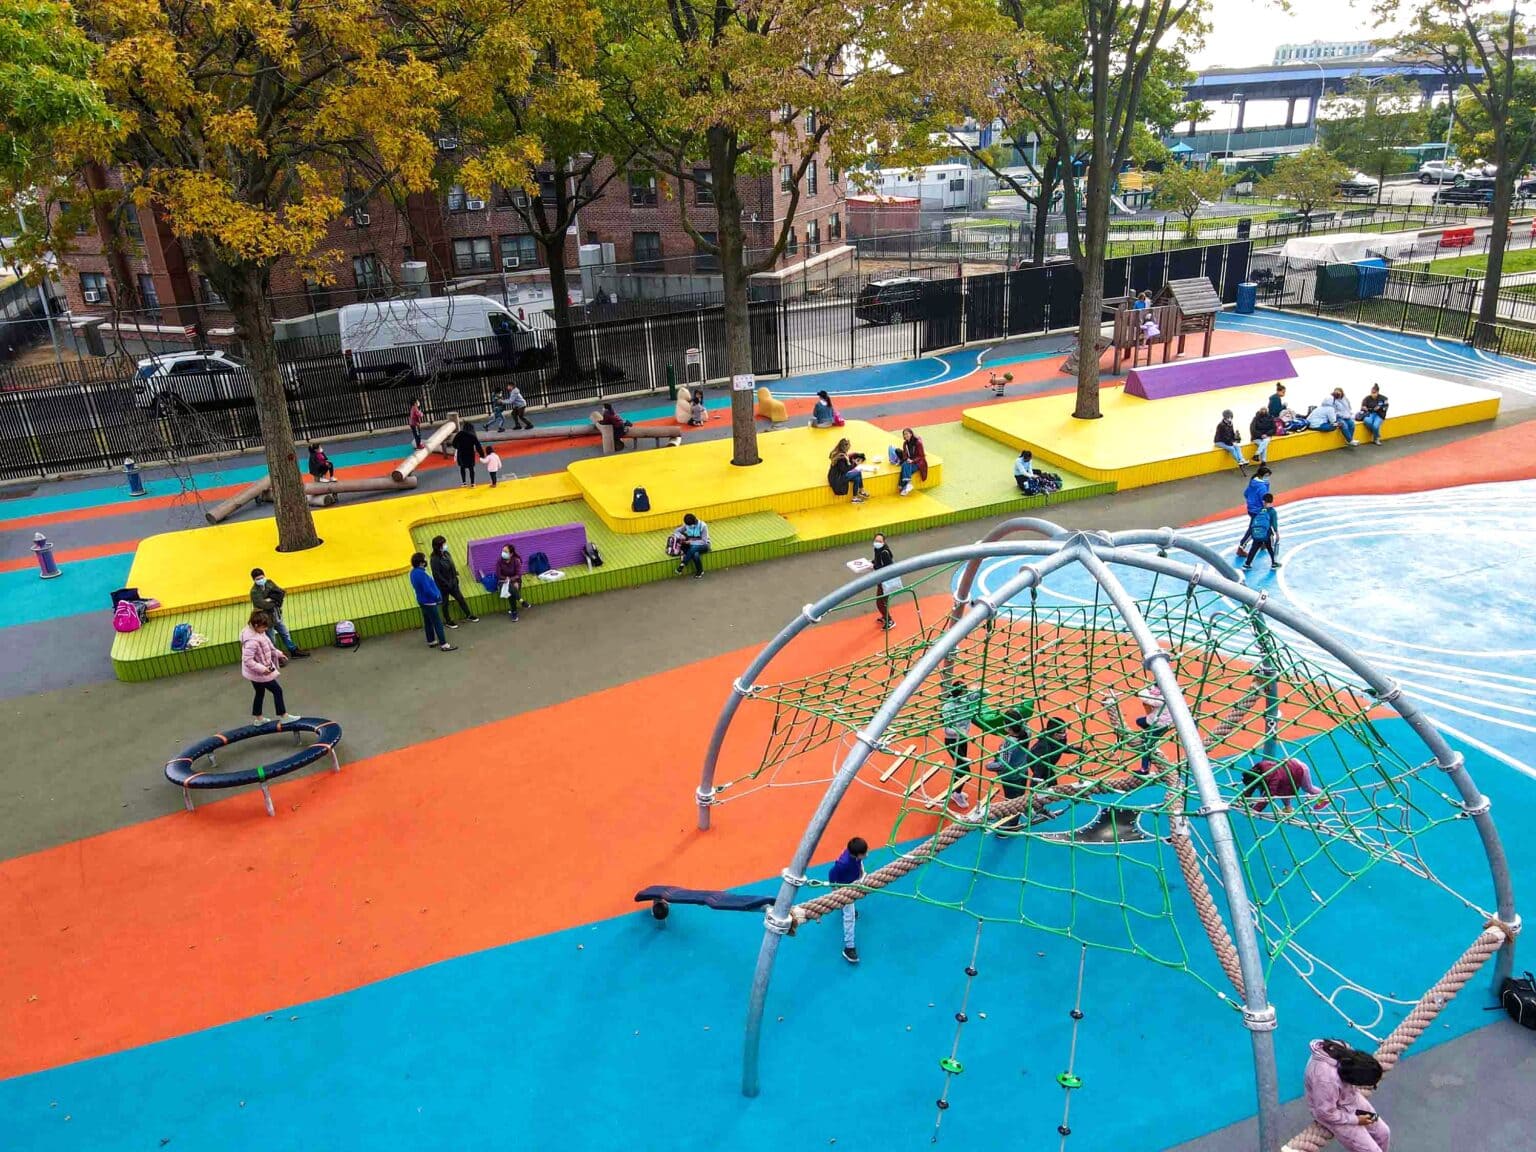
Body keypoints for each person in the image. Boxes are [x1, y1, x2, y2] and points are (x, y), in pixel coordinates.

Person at [1303, 1039, 1389, 1152]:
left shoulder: (1344, 1049)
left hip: (1349, 1097)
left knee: (1384, 1133)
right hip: (1332, 1112)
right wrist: (1356, 1120)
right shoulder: (1326, 1079)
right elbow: (1325, 1113)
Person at [240, 610, 300, 722]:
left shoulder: (259, 632)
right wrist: (263, 669)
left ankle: (259, 719)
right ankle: (283, 716)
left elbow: (268, 646)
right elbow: (247, 660)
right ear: (256, 625)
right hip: (259, 673)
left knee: (259, 692)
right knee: (277, 690)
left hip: (255, 673)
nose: (266, 629)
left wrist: (278, 653)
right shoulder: (252, 641)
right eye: (264, 627)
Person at [248, 568, 309, 658]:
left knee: (285, 633)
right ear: (254, 580)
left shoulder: (269, 583)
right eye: (258, 579)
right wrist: (275, 600)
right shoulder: (254, 592)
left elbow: (281, 593)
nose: (260, 580)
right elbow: (263, 605)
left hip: (276, 615)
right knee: (271, 639)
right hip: (266, 620)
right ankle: (274, 656)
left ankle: (293, 650)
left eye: (261, 577)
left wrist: (270, 599)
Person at [828, 836, 868, 964]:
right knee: (849, 917)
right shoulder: (842, 865)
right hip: (844, 889)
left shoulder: (854, 857)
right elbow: (832, 875)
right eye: (864, 853)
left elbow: (859, 863)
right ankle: (849, 947)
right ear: (856, 854)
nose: (867, 855)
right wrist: (835, 892)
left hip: (853, 882)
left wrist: (862, 875)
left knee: (849, 908)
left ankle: (844, 907)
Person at [1240, 756, 1325, 813]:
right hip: (1288, 768)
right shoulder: (1257, 769)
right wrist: (1244, 798)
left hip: (1299, 768)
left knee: (1308, 788)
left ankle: (1324, 797)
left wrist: (1256, 810)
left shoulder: (1272, 778)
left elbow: (1269, 796)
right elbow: (1252, 785)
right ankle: (1288, 808)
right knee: (1284, 791)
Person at [409, 551, 457, 651]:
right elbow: (427, 589)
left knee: (428, 621)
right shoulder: (422, 574)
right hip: (429, 601)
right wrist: (436, 597)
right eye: (424, 560)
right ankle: (444, 644)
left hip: (421, 600)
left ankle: (431, 640)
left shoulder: (413, 573)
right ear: (421, 563)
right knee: (437, 622)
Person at [429, 535, 477, 627]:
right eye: (444, 544)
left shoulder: (446, 554)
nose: (445, 545)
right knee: (445, 603)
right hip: (443, 585)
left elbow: (452, 566)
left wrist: (455, 577)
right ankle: (448, 620)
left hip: (453, 582)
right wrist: (446, 584)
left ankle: (468, 614)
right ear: (438, 546)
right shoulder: (434, 559)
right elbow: (437, 574)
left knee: (460, 599)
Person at [1236, 465, 1272, 556]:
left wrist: (1251, 502)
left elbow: (1246, 493)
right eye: (1267, 476)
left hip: (1252, 509)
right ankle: (1241, 547)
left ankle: (1262, 542)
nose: (1268, 478)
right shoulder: (1262, 487)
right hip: (1258, 511)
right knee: (1254, 529)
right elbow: (1265, 500)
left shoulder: (1253, 483)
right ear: (1263, 475)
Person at [1243, 493, 1281, 572]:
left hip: (1257, 533)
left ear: (1264, 501)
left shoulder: (1260, 510)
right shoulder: (1272, 512)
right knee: (1270, 548)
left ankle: (1247, 564)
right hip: (1267, 533)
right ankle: (1274, 563)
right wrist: (1277, 533)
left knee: (1254, 548)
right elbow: (1274, 524)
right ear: (1271, 501)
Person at [827, 438, 869, 503]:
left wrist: (851, 461)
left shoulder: (837, 452)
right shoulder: (841, 457)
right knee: (858, 471)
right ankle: (861, 490)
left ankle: (855, 498)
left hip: (835, 476)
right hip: (837, 479)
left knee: (857, 478)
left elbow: (844, 465)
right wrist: (855, 464)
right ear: (845, 448)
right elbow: (845, 470)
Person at [495, 544, 527, 621]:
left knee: (513, 587)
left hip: (514, 580)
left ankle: (514, 611)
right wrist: (506, 579)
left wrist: (510, 579)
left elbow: (518, 574)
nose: (503, 553)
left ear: (511, 554)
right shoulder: (499, 561)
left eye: (505, 551)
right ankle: (521, 601)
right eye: (503, 551)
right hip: (502, 581)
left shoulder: (516, 561)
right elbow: (498, 575)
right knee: (510, 588)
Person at [674, 512, 711, 578]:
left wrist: (690, 542)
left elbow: (704, 541)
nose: (689, 527)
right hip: (692, 546)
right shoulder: (687, 525)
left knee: (694, 547)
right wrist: (681, 536)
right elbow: (676, 531)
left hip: (704, 545)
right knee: (695, 554)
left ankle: (683, 563)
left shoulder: (703, 526)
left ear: (694, 522)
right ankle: (700, 571)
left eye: (690, 525)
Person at [871, 533, 895, 629]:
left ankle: (889, 620)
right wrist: (873, 562)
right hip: (880, 578)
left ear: (883, 542)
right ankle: (885, 616)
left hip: (885, 580)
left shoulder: (884, 552)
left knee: (880, 602)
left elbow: (888, 567)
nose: (877, 543)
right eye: (876, 541)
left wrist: (875, 566)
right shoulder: (877, 549)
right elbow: (878, 560)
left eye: (879, 541)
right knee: (882, 600)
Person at [1213, 410, 1247, 474]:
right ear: (1225, 417)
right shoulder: (1221, 425)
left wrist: (1235, 439)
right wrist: (1231, 443)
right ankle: (1239, 461)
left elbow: (1231, 433)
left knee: (1237, 446)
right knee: (1231, 448)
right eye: (1228, 417)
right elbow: (1223, 437)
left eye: (1230, 417)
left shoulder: (1230, 424)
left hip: (1228, 440)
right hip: (1219, 441)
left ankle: (1242, 459)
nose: (1230, 419)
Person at [451, 422, 484, 486]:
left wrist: (458, 447)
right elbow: (478, 446)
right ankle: (472, 483)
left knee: (462, 467)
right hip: (470, 453)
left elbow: (454, 443)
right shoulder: (472, 435)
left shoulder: (459, 434)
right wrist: (482, 455)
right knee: (471, 468)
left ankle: (464, 482)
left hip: (461, 453)